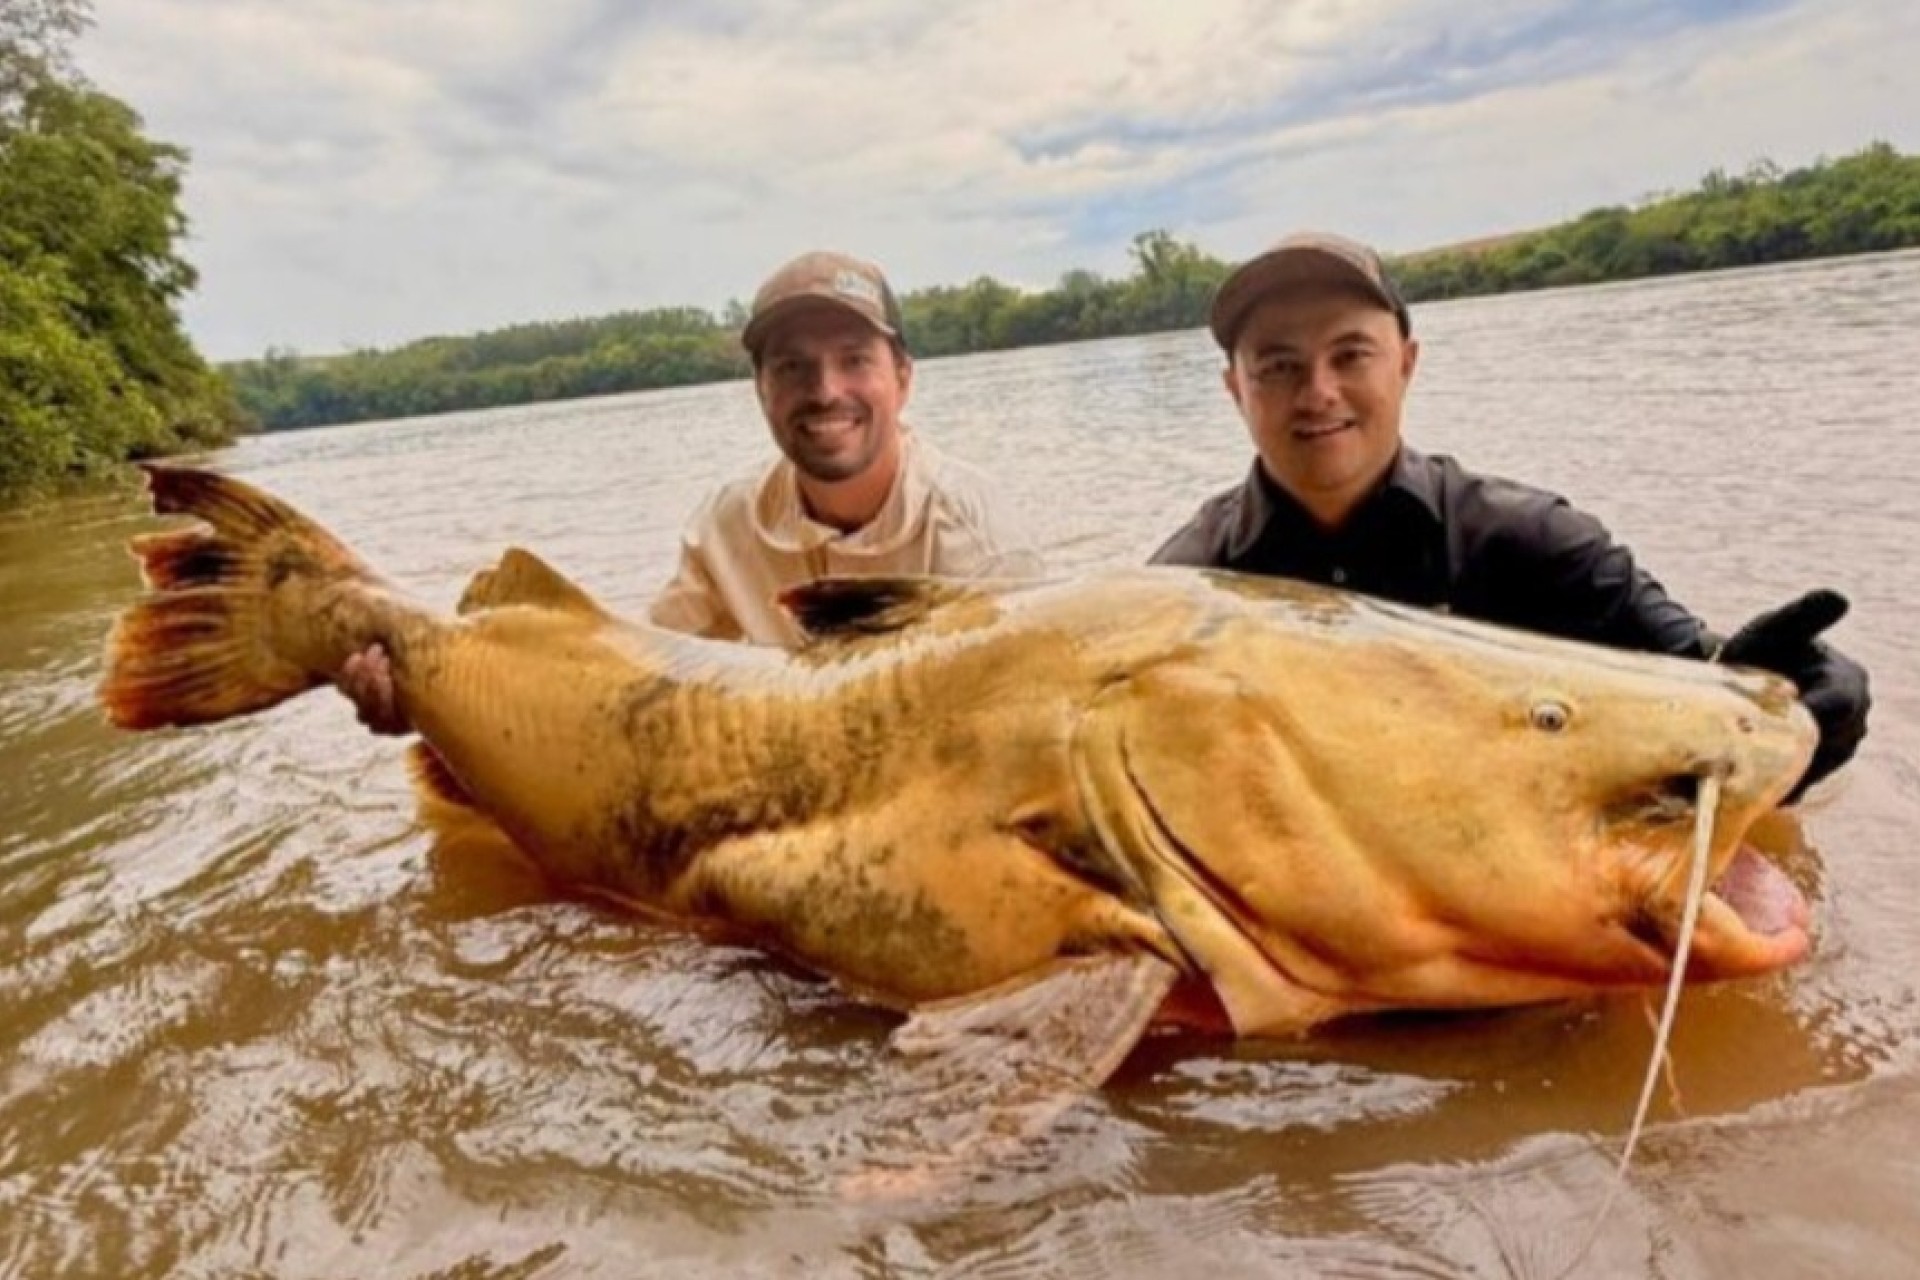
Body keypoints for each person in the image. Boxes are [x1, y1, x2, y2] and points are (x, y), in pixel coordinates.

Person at [1151, 231, 1869, 800]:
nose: (1318, 392)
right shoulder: (1181, 594)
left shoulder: (1533, 541)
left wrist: (1803, 708)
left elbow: (1698, 679)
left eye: (1351, 355)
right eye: (1278, 366)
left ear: (1405, 363)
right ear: (1233, 389)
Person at [338, 249, 1041, 731]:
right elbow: (633, 688)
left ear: (905, 378)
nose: (825, 392)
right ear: (761, 391)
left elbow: (1011, 733)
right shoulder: (727, 521)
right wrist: (437, 700)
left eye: (854, 361)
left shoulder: (977, 538)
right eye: (793, 369)